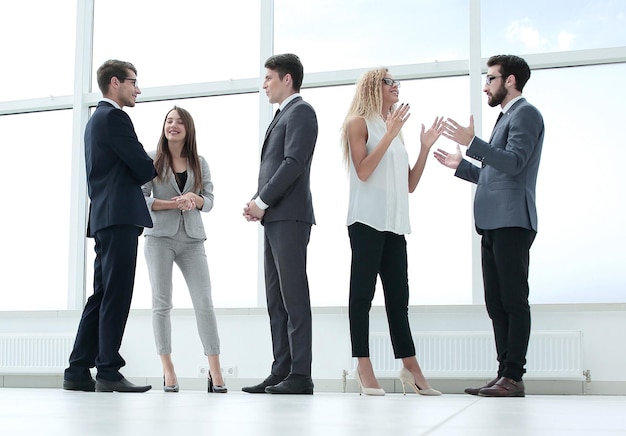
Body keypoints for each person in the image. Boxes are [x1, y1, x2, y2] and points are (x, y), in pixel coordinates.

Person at [434, 54, 544, 397]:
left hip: (512, 220)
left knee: (513, 300)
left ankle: (514, 376)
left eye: (491, 79)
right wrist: (462, 164)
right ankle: (503, 375)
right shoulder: (505, 118)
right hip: (493, 222)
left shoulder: (525, 113)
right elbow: (493, 174)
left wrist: (473, 143)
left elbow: (513, 164)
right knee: (496, 303)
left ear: (510, 80)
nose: (486, 86)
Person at [341, 67, 444, 396]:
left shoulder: (394, 131)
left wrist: (424, 147)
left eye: (396, 81)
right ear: (374, 86)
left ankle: (410, 367)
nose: (396, 85)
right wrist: (388, 134)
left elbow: (409, 184)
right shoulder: (358, 123)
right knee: (362, 297)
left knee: (398, 300)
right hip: (366, 222)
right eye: (389, 81)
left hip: (395, 225)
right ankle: (363, 365)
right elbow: (363, 172)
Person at [63, 59, 156, 393]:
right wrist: (148, 163)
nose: (138, 89)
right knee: (116, 294)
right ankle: (108, 371)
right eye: (134, 82)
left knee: (102, 295)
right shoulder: (115, 118)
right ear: (115, 83)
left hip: (105, 216)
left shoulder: (94, 121)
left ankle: (76, 370)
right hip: (119, 216)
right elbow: (144, 168)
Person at [242, 53, 318, 395]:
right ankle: (282, 370)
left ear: (287, 79)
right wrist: (259, 203)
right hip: (274, 216)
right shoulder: (282, 115)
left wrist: (261, 200)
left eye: (269, 78)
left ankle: (301, 374)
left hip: (289, 215)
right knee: (275, 298)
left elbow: (293, 163)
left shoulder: (301, 111)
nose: (264, 84)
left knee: (293, 296)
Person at [142, 107, 227, 394]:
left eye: (179, 121)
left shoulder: (199, 162)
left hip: (192, 238)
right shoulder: (152, 159)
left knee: (204, 302)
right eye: (169, 120)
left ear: (188, 129)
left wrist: (196, 199)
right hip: (159, 237)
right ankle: (168, 369)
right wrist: (172, 203)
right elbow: (141, 198)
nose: (173, 125)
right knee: (161, 304)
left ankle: (215, 370)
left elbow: (211, 200)